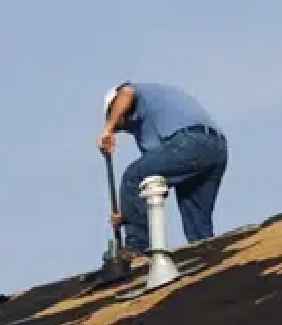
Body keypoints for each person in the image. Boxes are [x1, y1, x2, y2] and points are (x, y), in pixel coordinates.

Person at [98, 82, 228, 255]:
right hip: (215, 149)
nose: (123, 128)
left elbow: (126, 93)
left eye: (119, 123)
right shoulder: (144, 133)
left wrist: (108, 129)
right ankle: (209, 259)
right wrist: (128, 213)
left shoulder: (134, 93)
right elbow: (152, 186)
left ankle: (136, 247)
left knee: (132, 175)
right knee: (197, 226)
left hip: (190, 141)